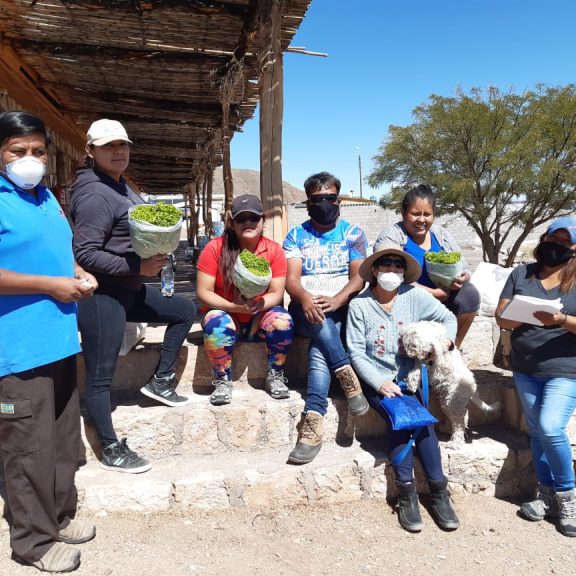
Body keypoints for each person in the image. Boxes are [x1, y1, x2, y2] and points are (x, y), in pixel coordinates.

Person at [71, 119, 196, 474]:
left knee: (184, 310)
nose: (119, 151)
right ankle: (109, 446)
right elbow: (85, 253)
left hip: (128, 290)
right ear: (90, 151)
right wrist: (137, 267)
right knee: (100, 374)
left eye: (123, 145)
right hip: (103, 296)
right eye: (109, 146)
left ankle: (159, 382)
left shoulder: (119, 186)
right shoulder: (96, 193)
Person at [0, 111, 97, 572]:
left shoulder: (46, 198)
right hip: (16, 347)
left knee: (60, 439)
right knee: (27, 446)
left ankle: (57, 517)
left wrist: (76, 272)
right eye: (18, 151)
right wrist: (48, 285)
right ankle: (33, 542)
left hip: (59, 338)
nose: (30, 159)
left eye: (37, 150)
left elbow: (59, 250)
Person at [347, 246, 460, 533]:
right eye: (386, 265)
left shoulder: (414, 296)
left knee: (422, 424)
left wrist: (442, 344)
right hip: (379, 381)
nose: (392, 271)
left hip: (410, 376)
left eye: (398, 266)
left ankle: (438, 492)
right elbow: (357, 352)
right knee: (400, 420)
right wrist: (380, 383)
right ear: (374, 270)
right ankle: (407, 493)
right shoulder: (359, 305)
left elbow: (448, 318)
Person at [495, 217, 576, 537]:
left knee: (550, 426)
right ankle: (545, 494)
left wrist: (559, 319)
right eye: (551, 240)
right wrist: (519, 315)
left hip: (565, 369)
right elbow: (501, 316)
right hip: (525, 368)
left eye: (564, 243)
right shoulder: (521, 274)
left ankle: (567, 496)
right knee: (538, 433)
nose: (555, 247)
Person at [283, 171, 369, 465]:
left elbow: (358, 278)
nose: (324, 203)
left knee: (319, 348)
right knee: (318, 318)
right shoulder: (296, 235)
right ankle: (348, 378)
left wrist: (339, 298)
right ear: (308, 202)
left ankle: (313, 422)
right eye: (317, 199)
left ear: (338, 200)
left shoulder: (353, 234)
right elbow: (291, 280)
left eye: (330, 198)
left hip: (341, 304)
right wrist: (305, 297)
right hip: (305, 306)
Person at [196, 194, 293, 405]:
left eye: (253, 218)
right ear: (232, 222)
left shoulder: (274, 251)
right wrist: (233, 306)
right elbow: (204, 291)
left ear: (263, 220)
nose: (248, 223)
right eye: (241, 218)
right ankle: (222, 379)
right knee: (217, 322)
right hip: (226, 313)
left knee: (283, 320)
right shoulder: (215, 248)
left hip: (258, 319)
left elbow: (276, 292)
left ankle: (275, 374)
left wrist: (260, 304)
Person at [374, 184, 480, 349]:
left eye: (427, 214)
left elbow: (463, 264)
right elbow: (390, 277)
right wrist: (432, 293)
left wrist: (463, 276)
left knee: (470, 293)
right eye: (415, 214)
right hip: (405, 299)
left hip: (443, 297)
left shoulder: (440, 234)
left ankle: (452, 348)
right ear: (403, 212)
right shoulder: (392, 236)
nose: (422, 220)